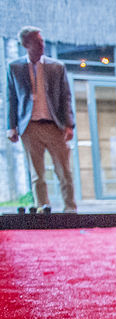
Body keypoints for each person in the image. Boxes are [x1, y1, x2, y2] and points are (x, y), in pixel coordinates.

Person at [6, 26, 76, 213]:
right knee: (37, 174)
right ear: (26, 44)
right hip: (29, 126)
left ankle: (70, 209)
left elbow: (66, 97)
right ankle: (42, 209)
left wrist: (69, 124)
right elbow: (11, 98)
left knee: (64, 171)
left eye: (42, 41)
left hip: (54, 125)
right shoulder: (15, 67)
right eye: (37, 42)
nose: (42, 45)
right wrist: (11, 127)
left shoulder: (57, 67)